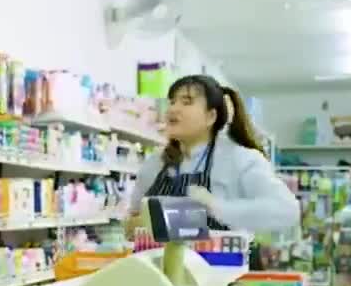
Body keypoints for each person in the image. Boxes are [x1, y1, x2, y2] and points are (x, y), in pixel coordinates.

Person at [128, 75, 298, 233]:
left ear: (211, 116)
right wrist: (133, 225)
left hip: (218, 257)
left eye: (186, 102)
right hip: (156, 257)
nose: (173, 109)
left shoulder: (239, 159)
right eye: (172, 102)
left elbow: (286, 210)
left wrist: (217, 207)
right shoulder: (156, 162)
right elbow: (134, 215)